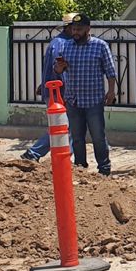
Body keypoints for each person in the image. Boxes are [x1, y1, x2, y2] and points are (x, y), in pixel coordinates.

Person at [55, 13, 118, 175]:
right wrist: (60, 67)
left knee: (98, 136)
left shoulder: (100, 46)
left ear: (88, 29)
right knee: (76, 138)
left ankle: (104, 169)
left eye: (79, 29)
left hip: (93, 101)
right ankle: (80, 168)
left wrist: (111, 91)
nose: (75, 32)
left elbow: (110, 72)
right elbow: (59, 69)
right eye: (73, 29)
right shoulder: (67, 46)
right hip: (73, 101)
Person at [21, 17, 76, 161]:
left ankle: (64, 157)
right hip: (58, 92)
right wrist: (64, 91)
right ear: (69, 28)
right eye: (75, 28)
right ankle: (34, 153)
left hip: (55, 91)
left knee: (65, 127)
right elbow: (57, 69)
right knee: (62, 126)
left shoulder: (58, 43)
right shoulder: (62, 44)